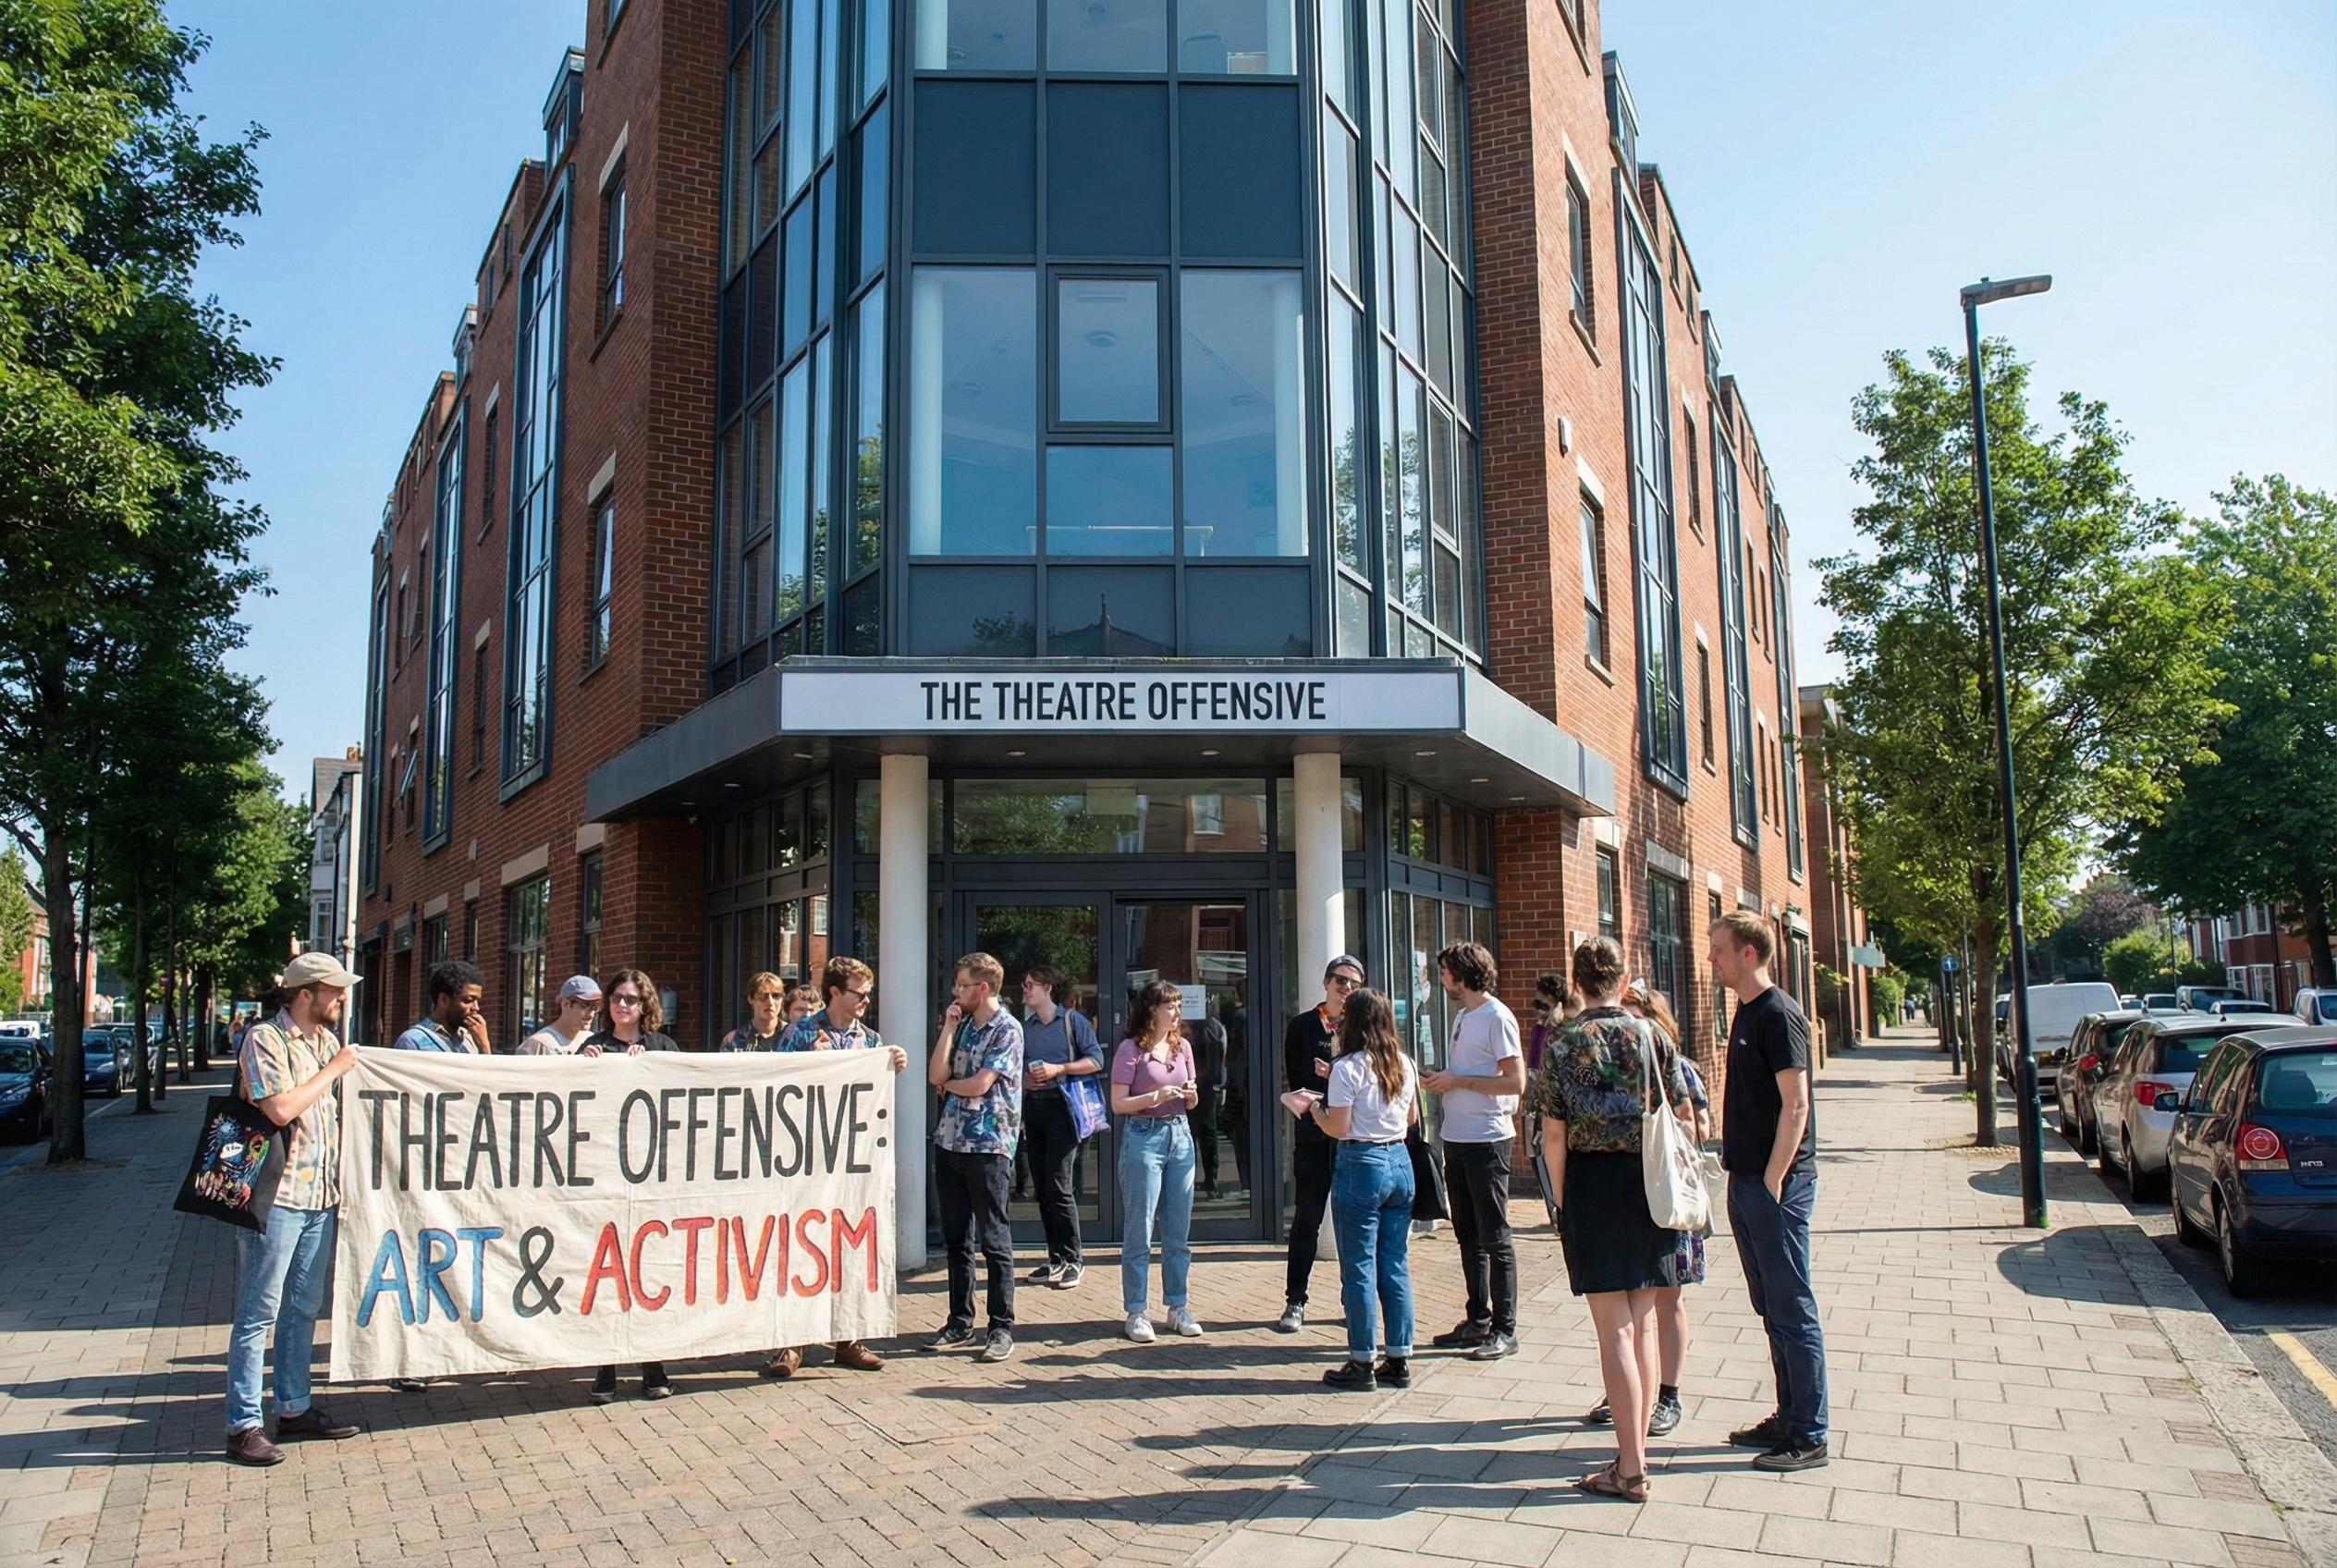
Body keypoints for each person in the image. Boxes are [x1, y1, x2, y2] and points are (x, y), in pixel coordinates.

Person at [1533, 937, 1691, 1503]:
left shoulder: (1561, 1042)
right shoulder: (1652, 1036)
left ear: (1577, 982)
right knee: (1642, 1322)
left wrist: (1560, 1200)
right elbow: (1684, 1115)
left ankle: (1631, 1467)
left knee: (1613, 1330)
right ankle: (1635, 1453)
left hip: (1594, 1185)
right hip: (1650, 1184)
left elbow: (1553, 1133)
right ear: (1625, 982)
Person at [223, 951, 366, 1466]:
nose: (342, 998)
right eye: (335, 990)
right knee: (258, 1311)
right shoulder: (265, 1039)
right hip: (277, 1198)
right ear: (306, 994)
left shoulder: (326, 1040)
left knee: (303, 1308)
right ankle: (243, 1424)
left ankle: (294, 1407)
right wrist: (334, 1069)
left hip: (320, 1196)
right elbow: (279, 1107)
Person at [1709, 911, 1829, 1472]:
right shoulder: (1745, 1011)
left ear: (1748, 954)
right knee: (1770, 1306)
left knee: (1791, 1305)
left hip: (1774, 1185)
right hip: (1747, 1180)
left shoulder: (1779, 1014)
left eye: (1719, 950)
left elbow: (1796, 1103)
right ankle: (1787, 1415)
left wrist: (1776, 1178)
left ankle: (1809, 1431)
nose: (1712, 959)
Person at [765, 956, 910, 1378]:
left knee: (848, 1245)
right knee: (797, 1245)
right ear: (833, 993)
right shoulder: (801, 1033)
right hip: (805, 1160)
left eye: (868, 993)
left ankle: (848, 1338)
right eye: (858, 993)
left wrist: (891, 1065)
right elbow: (775, 1083)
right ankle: (788, 1344)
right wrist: (811, 1062)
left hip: (852, 1162)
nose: (866, 1000)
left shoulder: (869, 1039)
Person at [1579, 980, 1705, 1436]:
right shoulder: (1607, 1058)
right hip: (1630, 1196)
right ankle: (1630, 1397)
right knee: (1633, 1316)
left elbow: (1696, 1123)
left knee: (1666, 1301)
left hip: (1666, 1194)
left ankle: (1667, 1396)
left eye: (1634, 1013)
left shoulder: (1673, 1062)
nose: (1625, 1024)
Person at [1305, 986, 1417, 1391]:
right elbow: (1412, 1118)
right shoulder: (1403, 1062)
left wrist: (1313, 1109)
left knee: (1358, 1266)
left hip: (1362, 1162)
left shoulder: (1347, 1067)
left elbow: (1337, 1126)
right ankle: (1400, 1357)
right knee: (1395, 1263)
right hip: (1399, 1162)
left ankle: (1362, 1360)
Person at [1422, 942, 1525, 1362]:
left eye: (1445, 972)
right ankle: (1477, 1319)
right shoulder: (1463, 1016)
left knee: (1495, 1235)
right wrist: (1445, 1081)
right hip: (1458, 1137)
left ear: (1463, 975)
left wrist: (1458, 1081)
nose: (1442, 978)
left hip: (1487, 1139)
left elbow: (1515, 1081)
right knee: (1467, 1233)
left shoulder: (1497, 1017)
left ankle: (1505, 1328)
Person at [928, 952, 1023, 1365]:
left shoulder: (1008, 1029)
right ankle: (959, 1319)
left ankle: (1000, 1326)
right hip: (950, 1141)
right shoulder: (962, 1024)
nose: (956, 992)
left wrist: (952, 1083)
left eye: (962, 985)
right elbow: (935, 1074)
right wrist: (949, 1026)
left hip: (987, 1146)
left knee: (994, 1240)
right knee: (956, 1240)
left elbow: (981, 1085)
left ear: (982, 988)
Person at [1110, 979, 1203, 1342]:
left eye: (1179, 1005)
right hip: (1143, 1135)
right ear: (1152, 1010)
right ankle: (1136, 1310)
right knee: (1140, 1227)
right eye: (1171, 1005)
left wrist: (1190, 1095)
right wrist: (1155, 1095)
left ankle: (1177, 1306)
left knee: (1178, 1229)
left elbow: (1192, 1100)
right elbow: (1118, 1104)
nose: (1177, 1012)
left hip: (1180, 1134)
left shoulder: (1184, 1048)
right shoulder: (1130, 1050)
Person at [1278, 953, 1364, 1332]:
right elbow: (1299, 1082)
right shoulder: (1301, 1026)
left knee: (1351, 1223)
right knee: (1307, 1220)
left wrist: (1335, 1074)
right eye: (1341, 981)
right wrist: (1335, 1082)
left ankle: (1353, 1302)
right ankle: (1295, 1301)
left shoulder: (1363, 1027)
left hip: (1351, 1136)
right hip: (1314, 1135)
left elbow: (1369, 1084)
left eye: (1353, 984)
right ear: (1327, 982)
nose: (1346, 988)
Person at [1017, 966, 1104, 1290]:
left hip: (1063, 1108)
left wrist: (1059, 1069)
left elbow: (1096, 1061)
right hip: (1035, 1108)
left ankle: (1074, 1258)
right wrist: (1027, 1081)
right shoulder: (1025, 1028)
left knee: (1058, 1183)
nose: (1025, 990)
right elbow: (1019, 1069)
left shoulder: (1071, 1022)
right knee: (1041, 1185)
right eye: (1025, 985)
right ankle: (1055, 1258)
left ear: (1048, 988)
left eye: (1031, 985)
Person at [393, 960, 492, 1054]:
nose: (476, 1007)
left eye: (477, 1000)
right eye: (468, 1000)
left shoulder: (468, 1038)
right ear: (443, 1000)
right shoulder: (412, 1041)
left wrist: (484, 1046)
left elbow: (482, 1071)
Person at [516, 975, 599, 1055]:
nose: (591, 1013)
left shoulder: (594, 1041)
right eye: (585, 1005)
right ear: (566, 1004)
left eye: (595, 1006)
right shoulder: (537, 1045)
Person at [720, 972, 789, 1052]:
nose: (770, 1002)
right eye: (763, 996)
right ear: (751, 999)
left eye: (776, 996)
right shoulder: (733, 1040)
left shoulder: (794, 1037)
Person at [1527, 974, 1579, 1072]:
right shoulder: (1537, 1029)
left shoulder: (1564, 1032)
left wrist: (1553, 1024)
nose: (1539, 1011)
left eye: (1544, 1007)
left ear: (1558, 1007)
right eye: (1536, 1004)